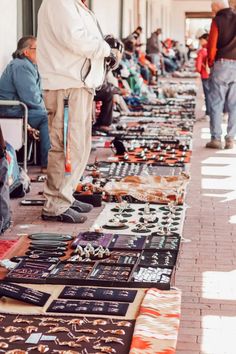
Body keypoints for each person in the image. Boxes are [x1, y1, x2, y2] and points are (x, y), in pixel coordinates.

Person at [37, 0, 114, 223]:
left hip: (77, 84)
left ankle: (66, 195)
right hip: (66, 86)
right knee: (67, 147)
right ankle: (55, 204)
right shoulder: (59, 2)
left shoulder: (72, 4)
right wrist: (106, 49)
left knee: (78, 146)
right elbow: (75, 38)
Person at [0, 36, 50, 172]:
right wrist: (47, 109)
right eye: (37, 49)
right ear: (26, 52)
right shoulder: (21, 66)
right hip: (10, 110)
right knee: (47, 118)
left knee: (47, 113)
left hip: (17, 108)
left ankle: (46, 159)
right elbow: (31, 97)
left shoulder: (28, 65)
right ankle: (47, 164)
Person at [206, 0, 236, 149]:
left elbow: (211, 45)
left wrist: (211, 63)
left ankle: (216, 139)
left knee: (216, 103)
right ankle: (231, 139)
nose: (212, 11)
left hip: (222, 65)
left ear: (217, 7)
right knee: (234, 105)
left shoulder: (217, 20)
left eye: (212, 8)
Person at [195, 31, 210, 119]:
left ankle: (208, 113)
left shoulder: (202, 51)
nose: (200, 42)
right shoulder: (214, 49)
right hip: (213, 75)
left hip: (205, 75)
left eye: (201, 40)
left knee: (207, 94)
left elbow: (198, 65)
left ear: (205, 40)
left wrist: (198, 71)